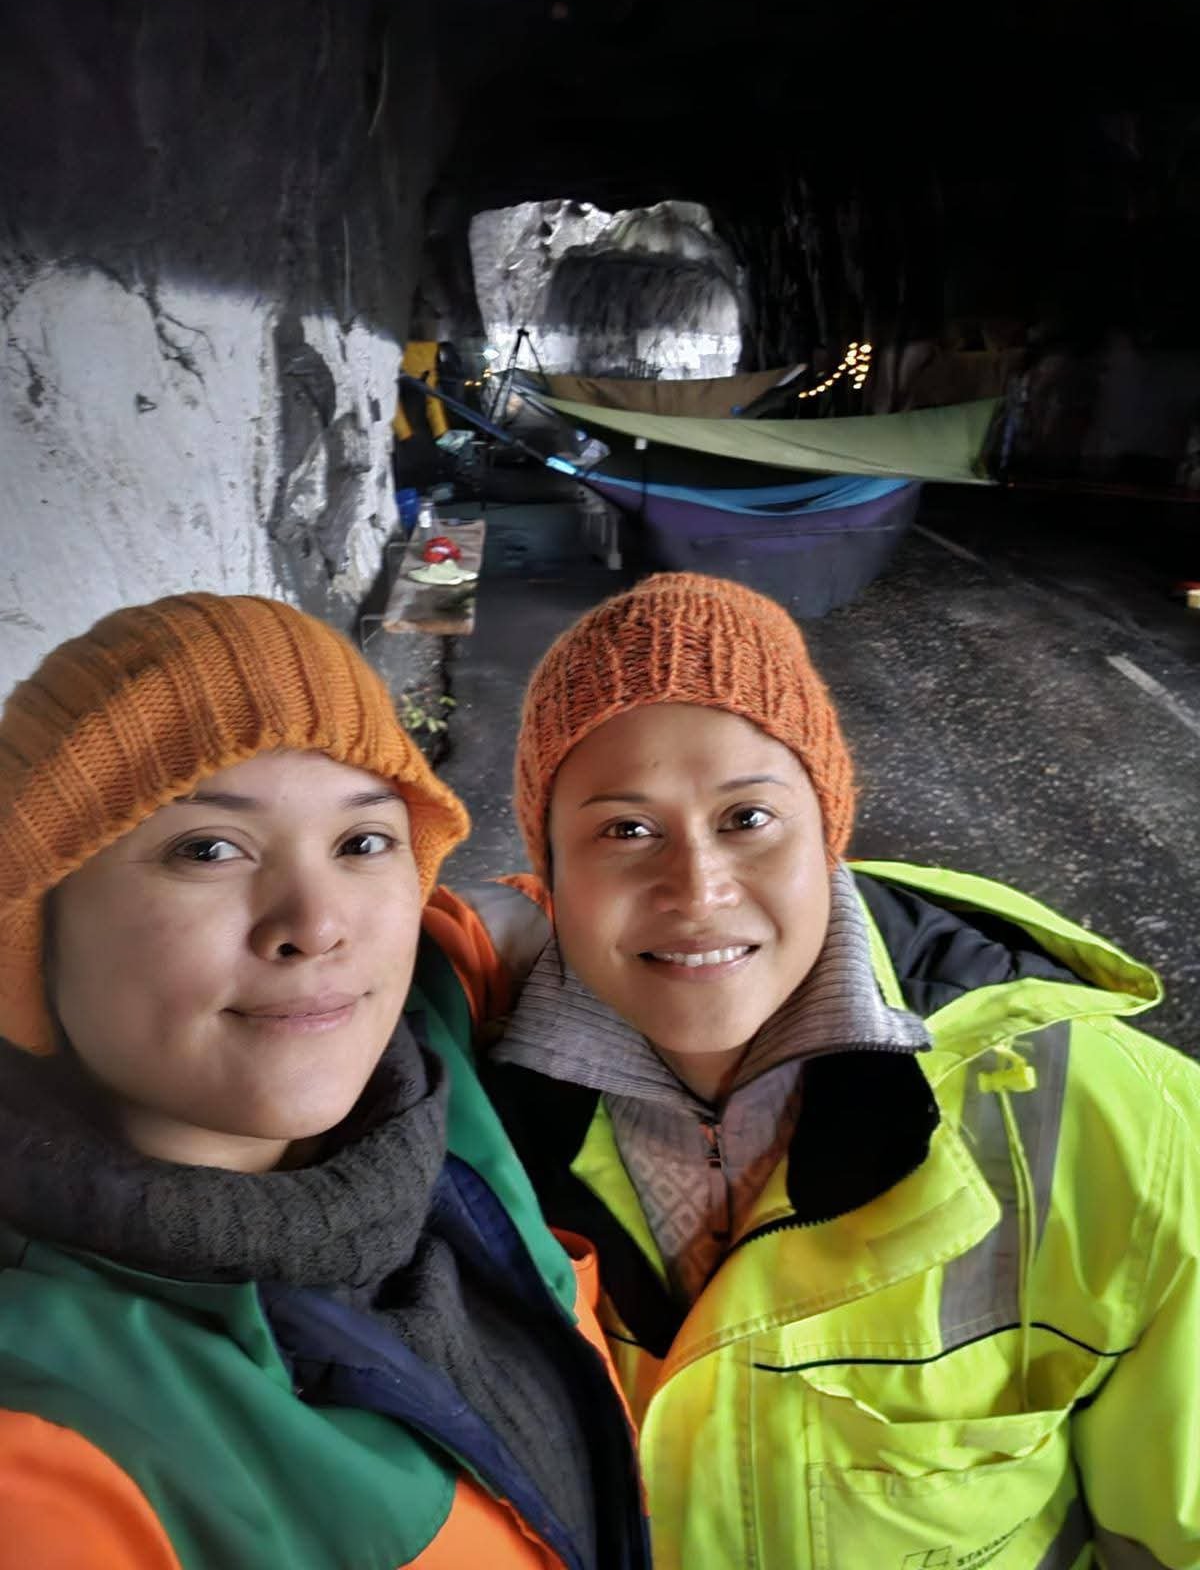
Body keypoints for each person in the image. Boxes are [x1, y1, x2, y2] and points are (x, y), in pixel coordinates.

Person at [425, 572, 1200, 1570]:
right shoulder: (459, 1122)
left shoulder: (1122, 1124)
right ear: (550, 871)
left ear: (827, 836)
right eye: (625, 829)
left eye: (748, 818)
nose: (697, 887)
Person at [0, 592, 647, 1570]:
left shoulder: (429, 1051)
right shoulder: (47, 1450)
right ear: (35, 928)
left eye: (362, 842)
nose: (317, 921)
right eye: (209, 849)